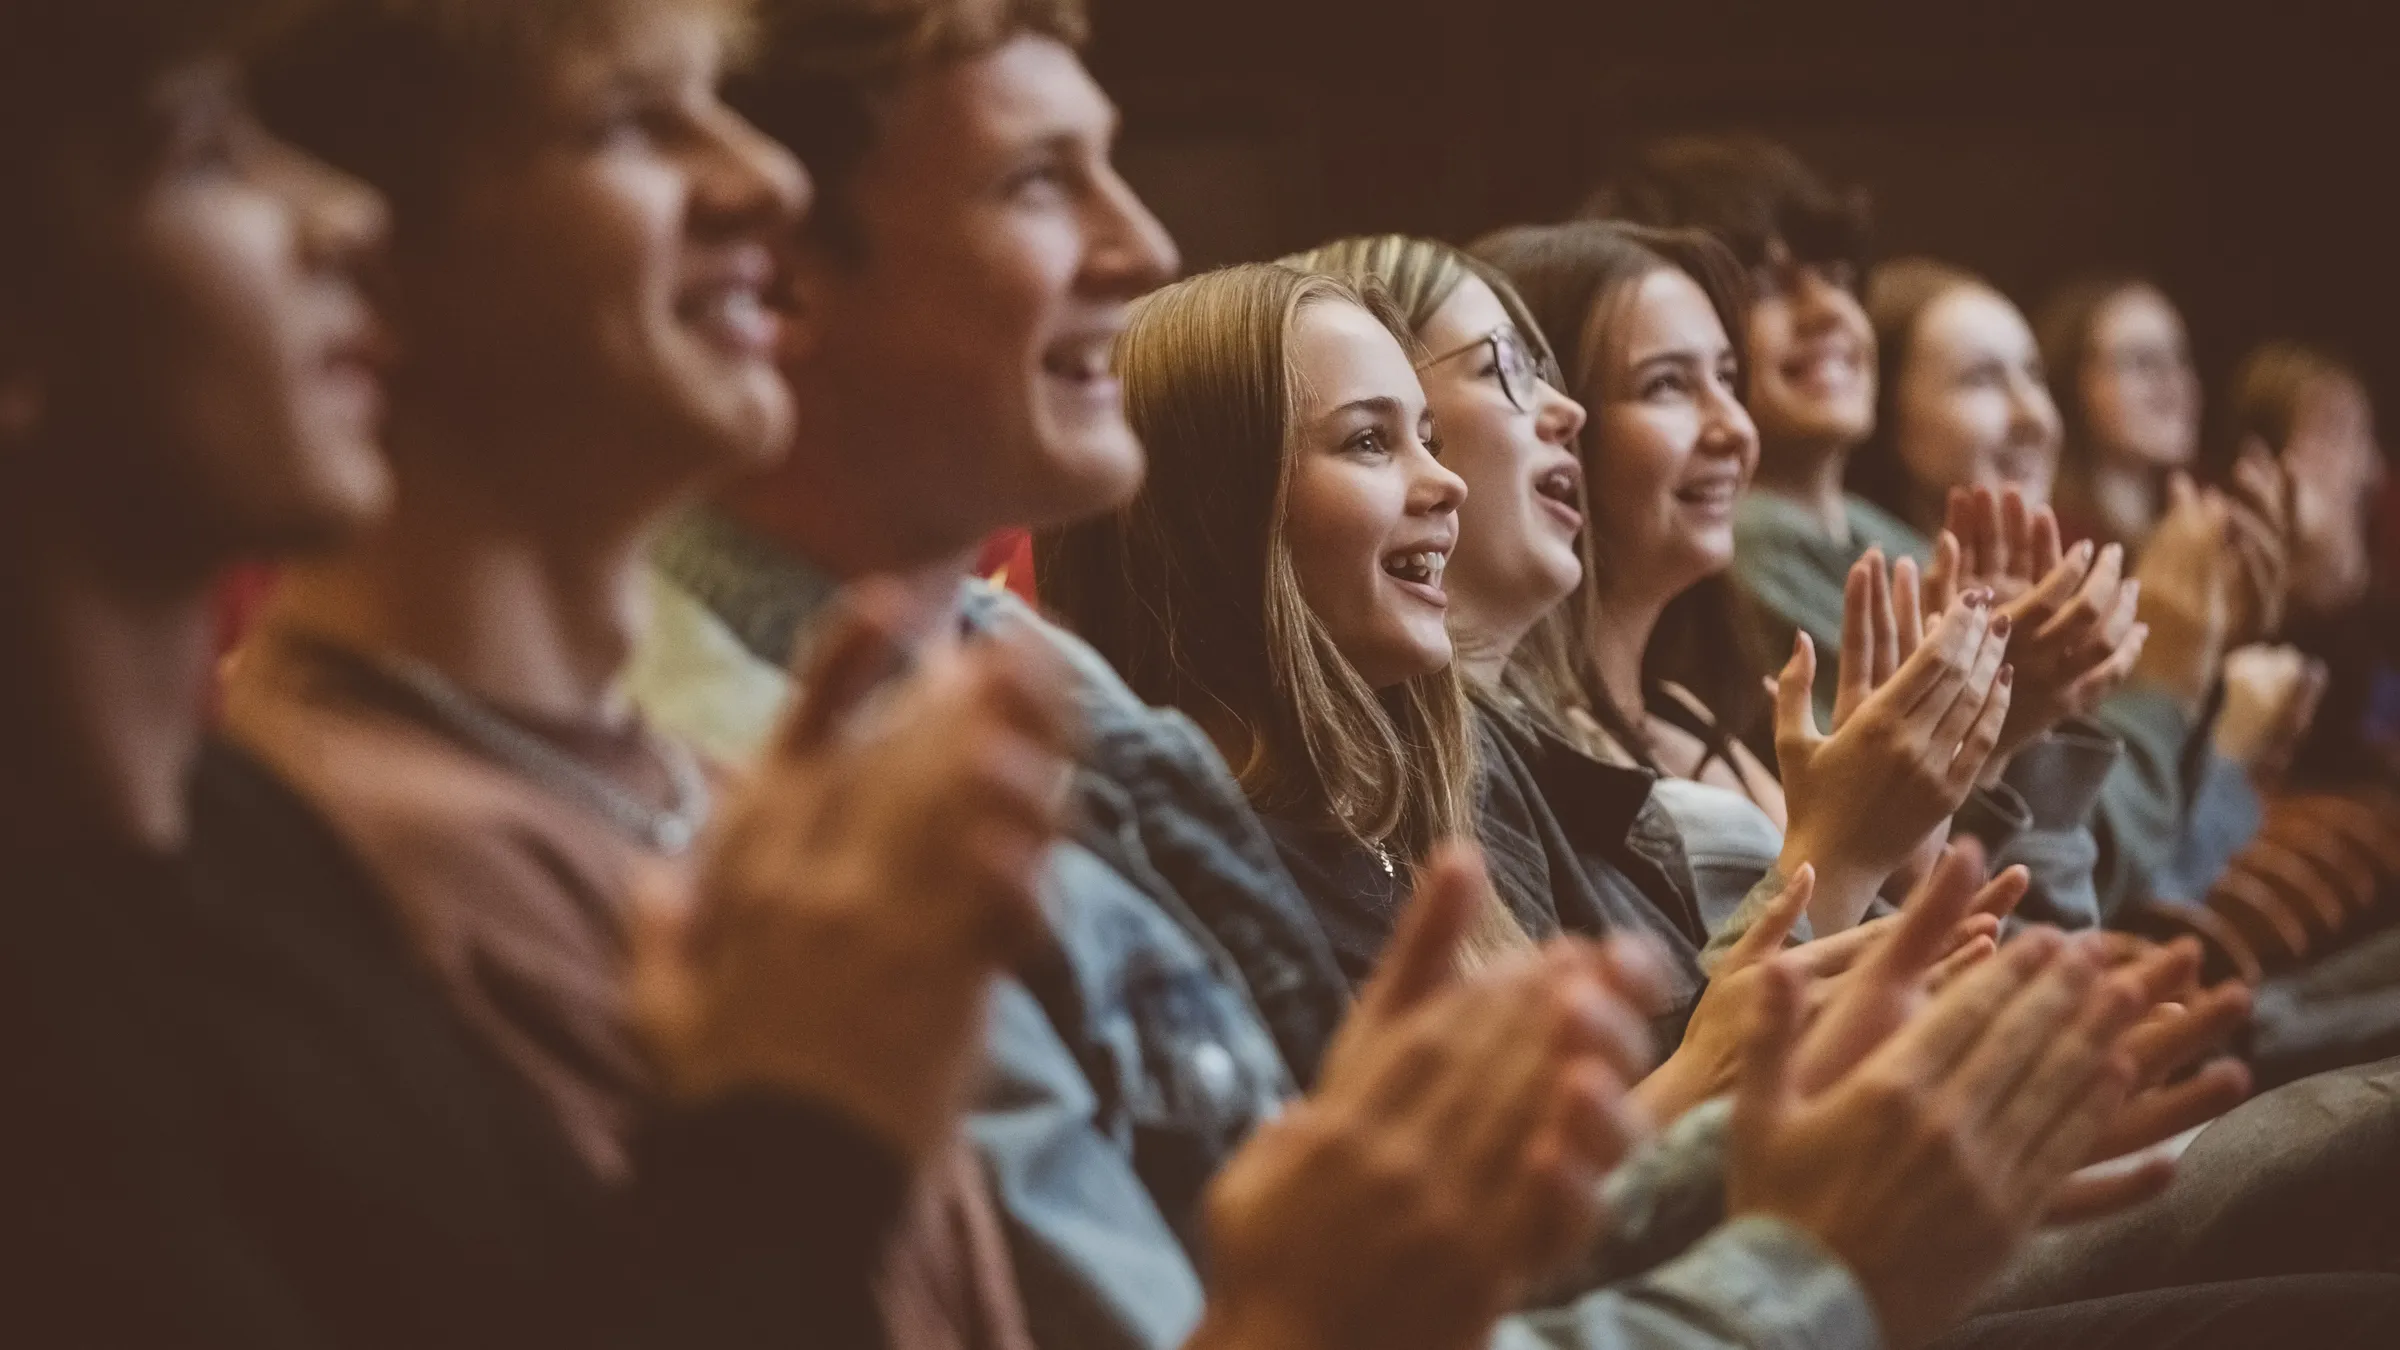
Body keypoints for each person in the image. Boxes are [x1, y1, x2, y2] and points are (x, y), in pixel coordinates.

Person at [1585, 135, 2277, 925]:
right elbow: (2068, 875)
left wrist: (2034, 726)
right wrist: (2168, 679)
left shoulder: (1874, 538)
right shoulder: (1751, 554)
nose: (1831, 312)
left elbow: (2090, 879)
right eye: (1769, 286)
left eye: (1840, 278)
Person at [2035, 275, 2206, 552]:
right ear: (2074, 382)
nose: (2174, 385)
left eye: (2180, 359)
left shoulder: (2214, 515)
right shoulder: (2047, 538)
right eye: (2144, 362)